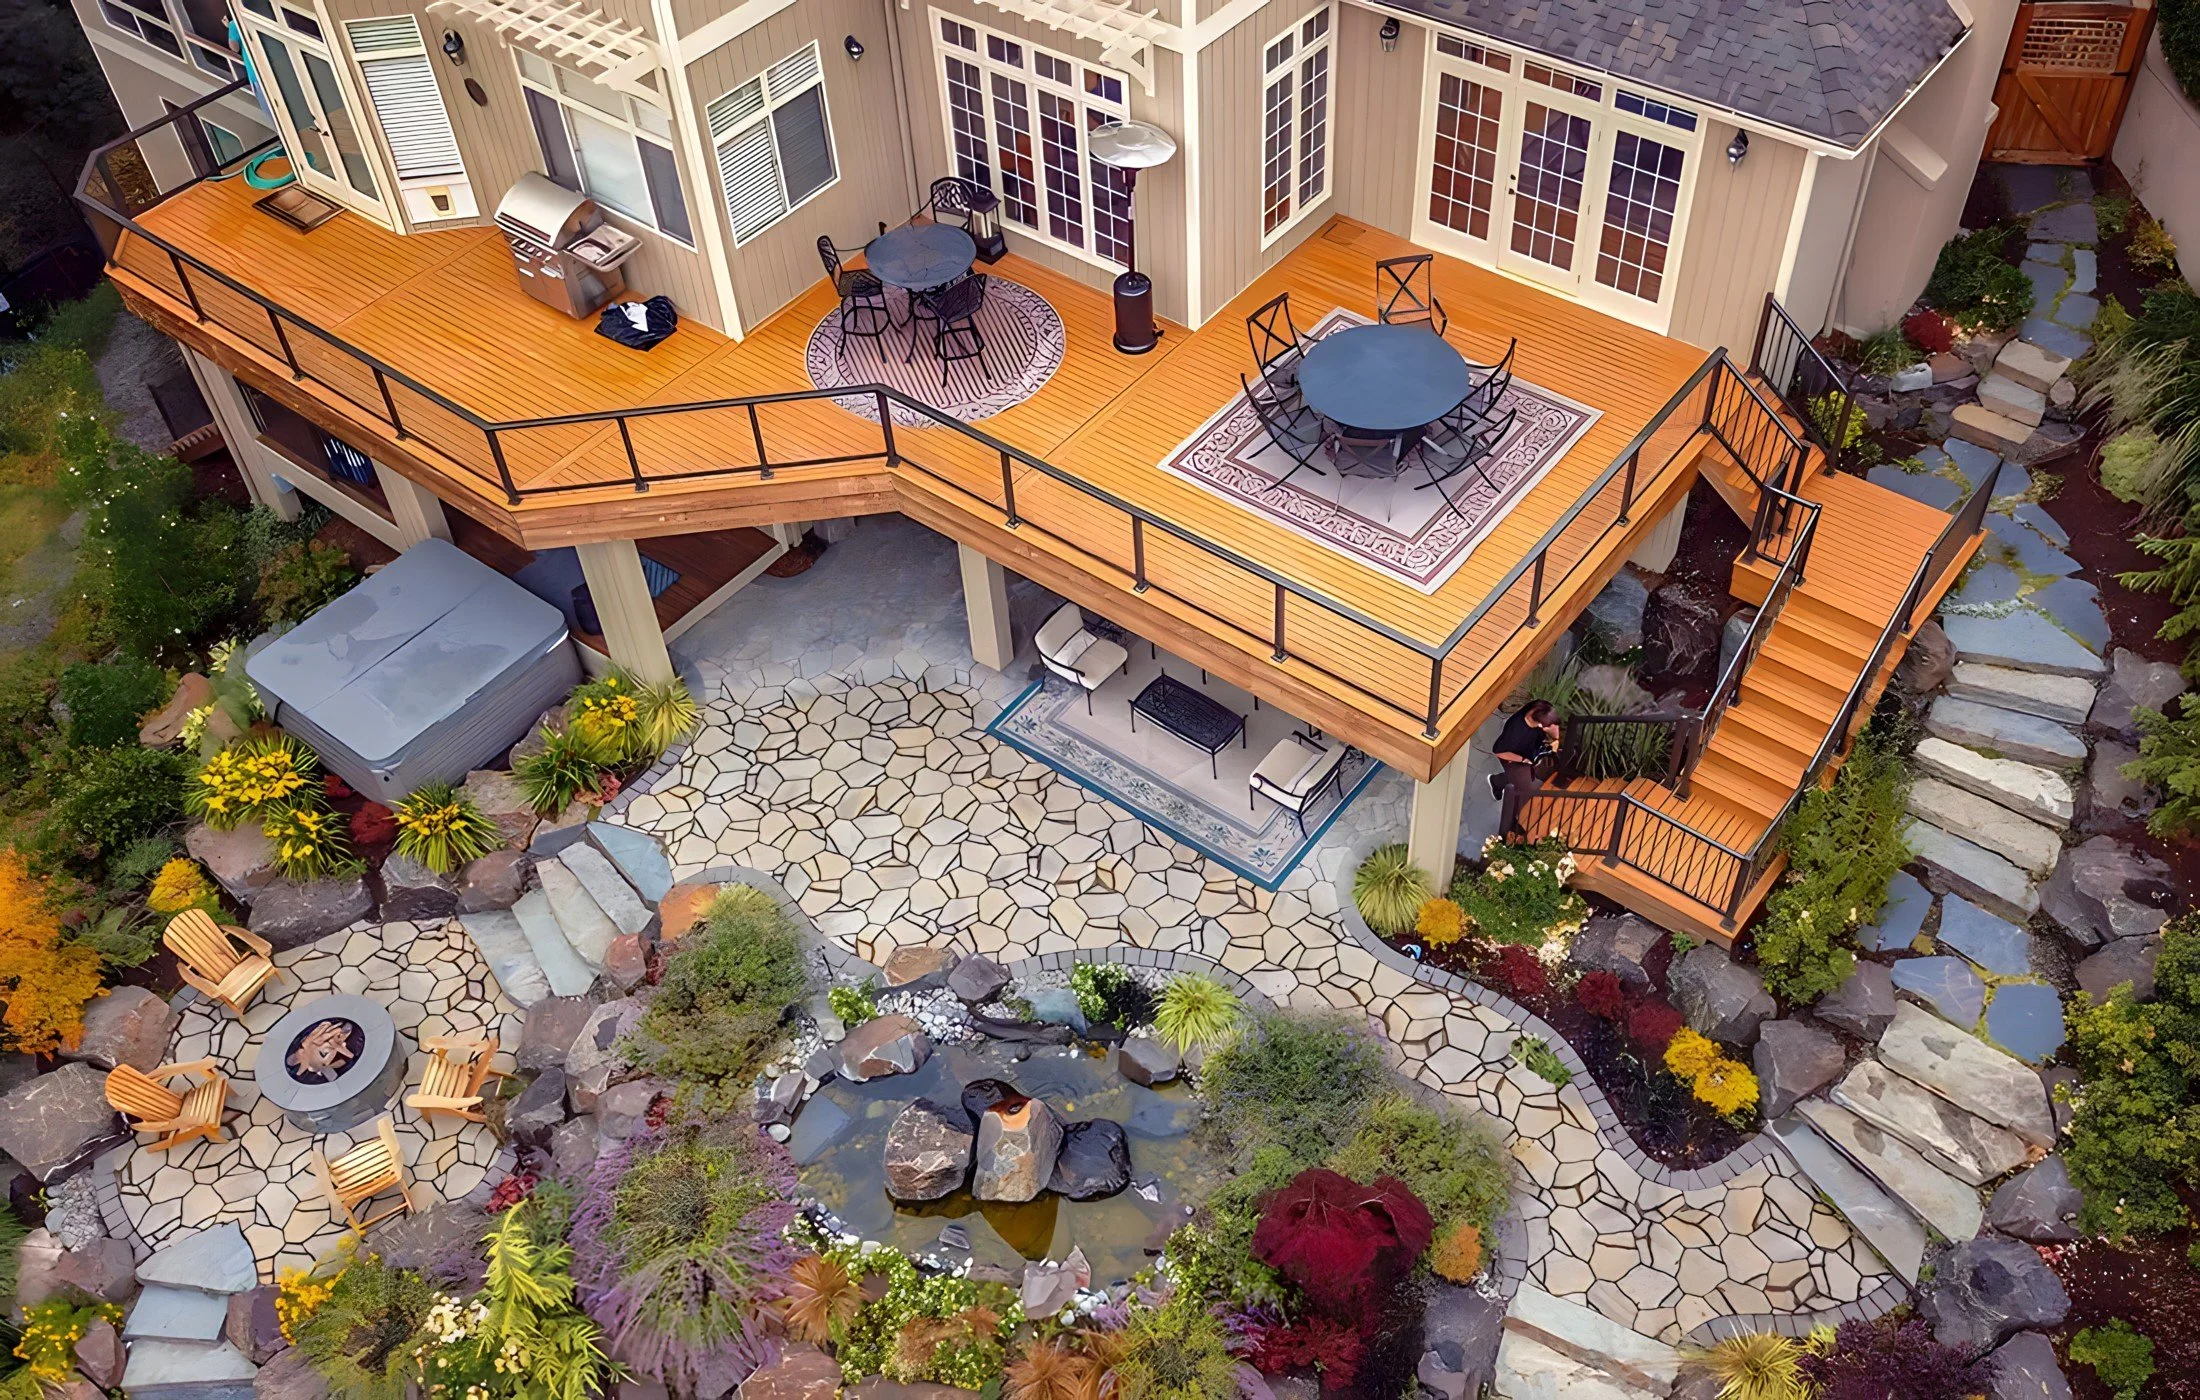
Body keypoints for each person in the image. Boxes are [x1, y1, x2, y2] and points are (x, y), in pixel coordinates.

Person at [1492, 699, 1560, 838]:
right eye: (1546, 727)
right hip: (1512, 757)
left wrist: (1556, 739)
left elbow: (1553, 729)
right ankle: (1510, 822)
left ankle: (1498, 781)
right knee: (1525, 788)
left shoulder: (1541, 710)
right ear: (1540, 723)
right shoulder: (1516, 729)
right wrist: (1524, 760)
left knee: (1524, 781)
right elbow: (1499, 751)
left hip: (1528, 754)